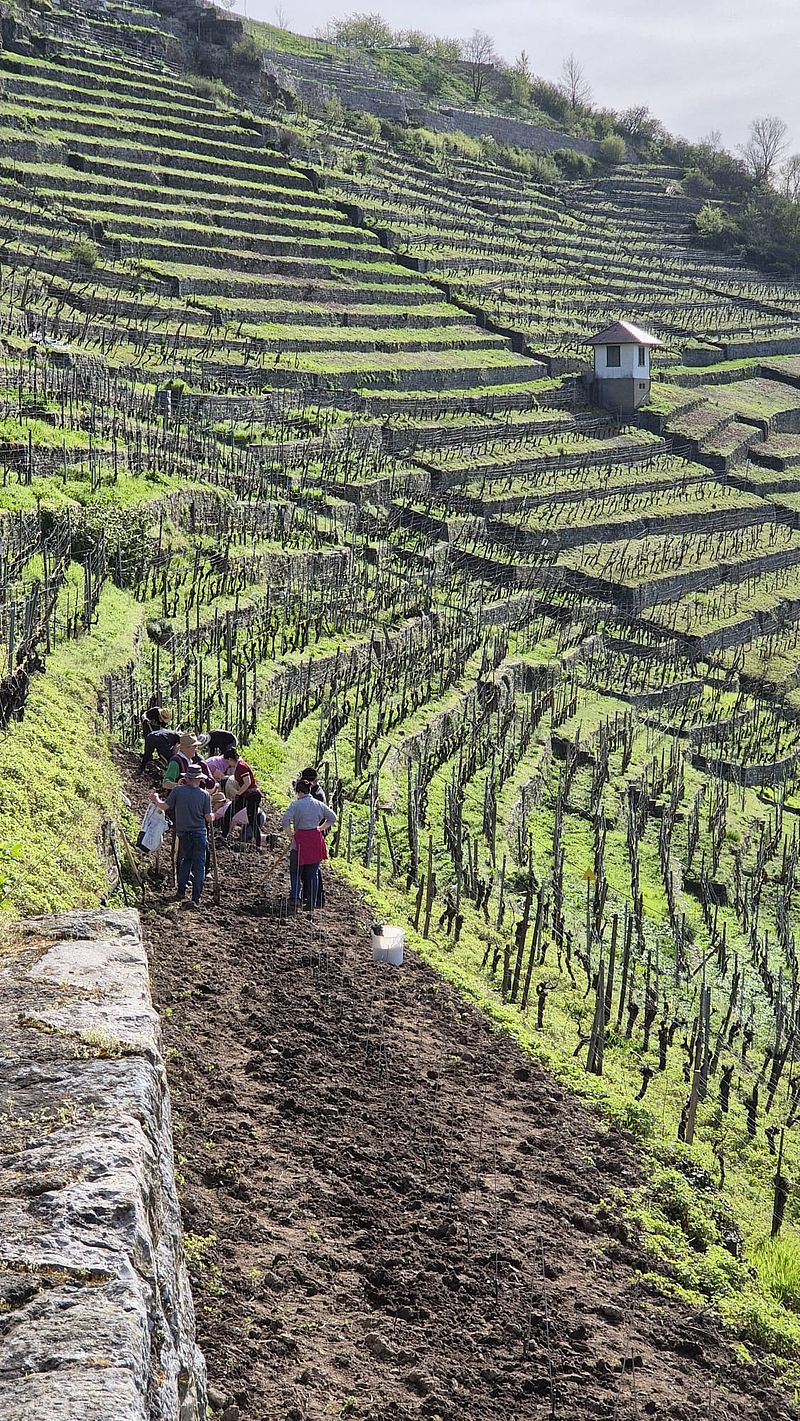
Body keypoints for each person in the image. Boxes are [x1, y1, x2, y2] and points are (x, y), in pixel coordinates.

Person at [280, 779, 337, 910]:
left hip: (300, 840)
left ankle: (295, 897)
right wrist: (320, 828)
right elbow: (332, 817)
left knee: (295, 871)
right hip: (315, 840)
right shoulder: (318, 804)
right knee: (313, 873)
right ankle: (311, 902)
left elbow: (285, 821)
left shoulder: (295, 805)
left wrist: (290, 834)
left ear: (299, 792)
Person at [171, 763, 213, 907]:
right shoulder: (205, 795)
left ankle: (181, 890)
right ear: (199, 779)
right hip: (200, 833)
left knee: (186, 860)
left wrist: (156, 799)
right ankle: (196, 897)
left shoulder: (178, 791)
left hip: (184, 833)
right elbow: (208, 817)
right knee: (199, 864)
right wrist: (212, 816)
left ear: (187, 778)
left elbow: (165, 806)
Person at [219, 748, 262, 848]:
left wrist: (238, 794)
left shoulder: (242, 766)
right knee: (229, 812)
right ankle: (223, 836)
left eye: (227, 761)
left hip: (252, 795)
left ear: (230, 759)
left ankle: (258, 843)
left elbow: (248, 782)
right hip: (245, 795)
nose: (227, 763)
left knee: (252, 819)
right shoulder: (239, 766)